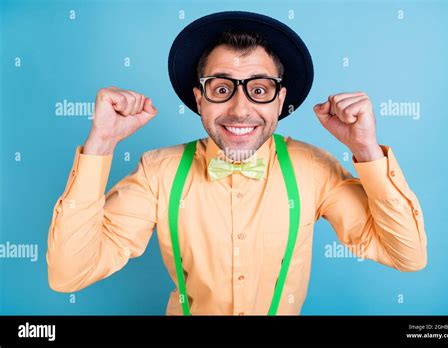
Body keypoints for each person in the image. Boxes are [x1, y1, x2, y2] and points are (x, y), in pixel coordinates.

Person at [46, 11, 427, 315]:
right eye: (222, 88)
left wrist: (366, 149)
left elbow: (406, 255)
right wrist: (101, 144)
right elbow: (68, 275)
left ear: (280, 101)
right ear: (199, 99)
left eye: (259, 90)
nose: (241, 109)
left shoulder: (312, 168)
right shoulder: (158, 171)